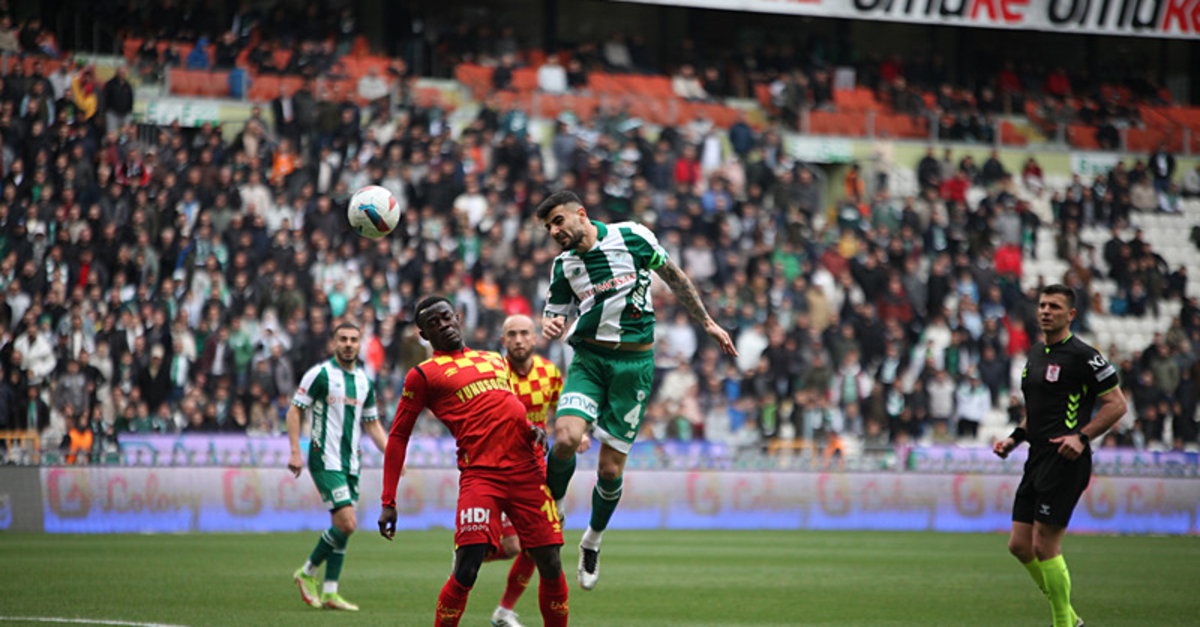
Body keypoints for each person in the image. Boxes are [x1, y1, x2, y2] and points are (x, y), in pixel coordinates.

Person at [536, 190, 737, 590]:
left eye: (558, 221)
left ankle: (592, 540)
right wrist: (550, 325)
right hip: (589, 361)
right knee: (566, 437)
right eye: (548, 228)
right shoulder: (564, 266)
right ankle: (552, 507)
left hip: (634, 368)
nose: (554, 231)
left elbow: (675, 277)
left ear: (581, 214)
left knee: (610, 469)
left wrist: (708, 322)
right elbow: (553, 315)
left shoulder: (632, 237)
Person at [379, 297, 569, 627]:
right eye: (433, 324)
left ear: (458, 318)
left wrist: (530, 427)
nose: (443, 325)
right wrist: (388, 500)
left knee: (551, 563)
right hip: (481, 475)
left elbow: (503, 404)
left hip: (526, 469)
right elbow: (398, 436)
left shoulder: (494, 359)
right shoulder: (423, 375)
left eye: (446, 317)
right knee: (467, 568)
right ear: (424, 335)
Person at [993, 284, 1127, 627]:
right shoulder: (1036, 354)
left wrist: (1082, 437)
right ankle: (1070, 618)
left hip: (1065, 460)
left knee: (1045, 545)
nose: (1045, 311)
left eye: (1054, 306)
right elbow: (1036, 411)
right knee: (1019, 545)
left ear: (1071, 314)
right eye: (1042, 305)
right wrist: (1014, 439)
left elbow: (1117, 404)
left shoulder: (1084, 356)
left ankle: (1063, 624)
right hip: (1036, 457)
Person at [488, 314, 589, 627]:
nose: (518, 340)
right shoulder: (494, 373)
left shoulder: (549, 373)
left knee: (538, 546)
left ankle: (504, 611)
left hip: (536, 472)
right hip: (499, 469)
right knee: (513, 546)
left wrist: (580, 433)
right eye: (512, 334)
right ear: (503, 340)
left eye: (524, 333)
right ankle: (471, 552)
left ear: (535, 338)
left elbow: (564, 410)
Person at [287, 322, 388, 611]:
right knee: (347, 523)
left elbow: (372, 424)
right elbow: (294, 410)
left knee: (341, 528)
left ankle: (331, 592)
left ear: (360, 344)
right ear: (334, 343)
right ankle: (306, 572)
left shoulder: (364, 381)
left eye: (353, 339)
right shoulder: (320, 374)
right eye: (343, 339)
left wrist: (393, 454)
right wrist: (295, 451)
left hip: (351, 463)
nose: (348, 344)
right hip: (324, 459)